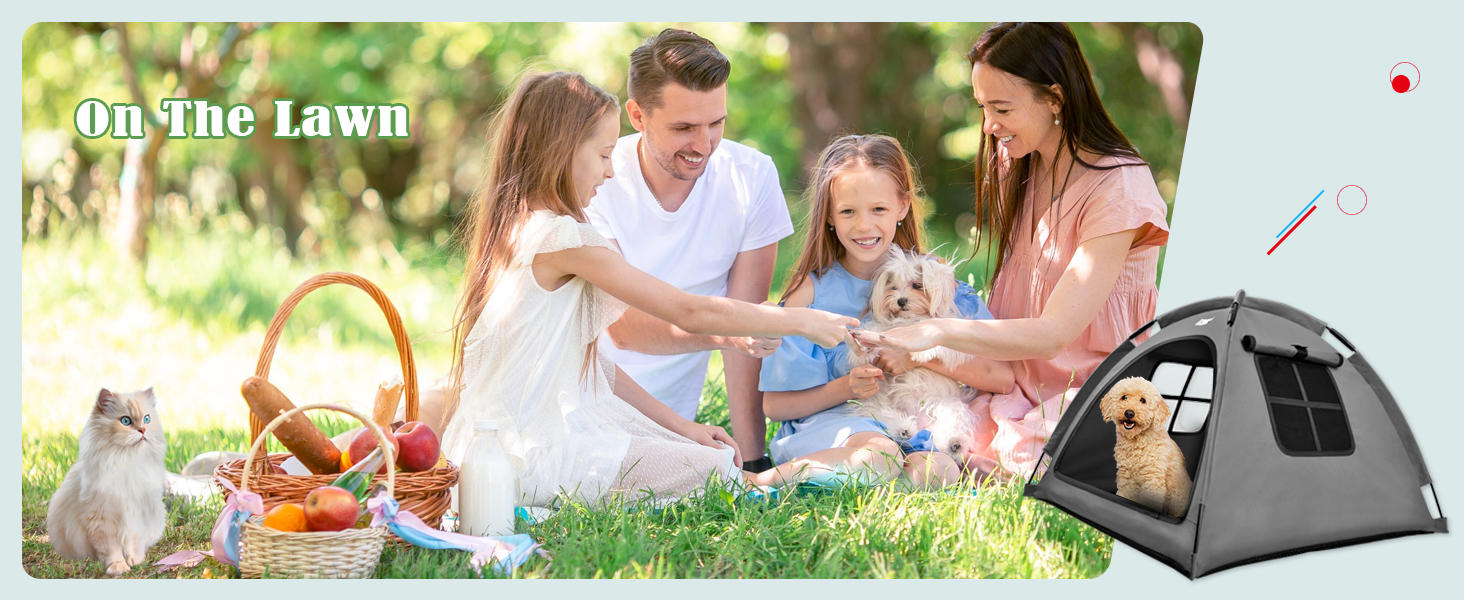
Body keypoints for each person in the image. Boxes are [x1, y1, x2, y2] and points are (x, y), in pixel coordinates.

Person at [438, 71, 857, 508]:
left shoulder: (526, 227)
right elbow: (687, 311)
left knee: (702, 453)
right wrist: (801, 321)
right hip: (529, 459)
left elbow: (593, 365)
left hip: (506, 450)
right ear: (561, 152)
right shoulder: (563, 240)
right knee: (717, 475)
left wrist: (684, 427)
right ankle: (835, 472)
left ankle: (800, 470)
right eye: (603, 155)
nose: (609, 170)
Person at [854, 22, 1172, 479]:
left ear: (1055, 99)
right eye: (982, 106)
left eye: (1002, 107)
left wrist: (937, 333)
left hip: (1083, 380)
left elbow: (1053, 334)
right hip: (1007, 371)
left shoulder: (1119, 187)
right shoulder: (1020, 162)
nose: (988, 125)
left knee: (1038, 459)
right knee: (920, 439)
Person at [747, 134, 1014, 489]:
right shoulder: (810, 293)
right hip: (834, 425)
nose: (864, 226)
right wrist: (846, 387)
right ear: (828, 213)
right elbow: (776, 407)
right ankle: (764, 482)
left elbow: (1001, 377)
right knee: (877, 455)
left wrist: (917, 357)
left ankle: (847, 481)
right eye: (847, 211)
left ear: (903, 206)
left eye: (879, 209)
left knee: (941, 470)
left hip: (913, 422)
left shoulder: (933, 281)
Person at [585, 29, 791, 472]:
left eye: (716, 123)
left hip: (677, 423)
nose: (703, 145)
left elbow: (745, 321)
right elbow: (622, 328)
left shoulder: (751, 177)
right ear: (638, 115)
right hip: (589, 405)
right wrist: (729, 329)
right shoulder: (595, 180)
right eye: (683, 128)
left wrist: (753, 459)